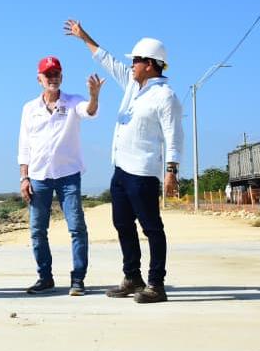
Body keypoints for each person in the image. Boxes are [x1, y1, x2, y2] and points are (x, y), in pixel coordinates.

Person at [64, 19, 183, 304]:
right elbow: (109, 61)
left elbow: (174, 135)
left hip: (143, 172)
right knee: (122, 224)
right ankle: (132, 277)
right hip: (120, 170)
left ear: (150, 64)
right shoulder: (133, 85)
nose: (131, 65)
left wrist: (171, 171)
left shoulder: (165, 96)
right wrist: (84, 37)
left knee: (152, 228)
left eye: (136, 61)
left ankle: (156, 284)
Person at [18, 55, 104, 296]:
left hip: (68, 176)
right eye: (48, 75)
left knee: (76, 228)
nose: (52, 78)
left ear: (61, 77)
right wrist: (24, 177)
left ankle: (78, 279)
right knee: (37, 230)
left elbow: (89, 111)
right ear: (39, 79)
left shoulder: (73, 101)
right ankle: (45, 278)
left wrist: (94, 96)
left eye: (56, 74)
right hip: (39, 176)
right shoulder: (29, 108)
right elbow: (24, 146)